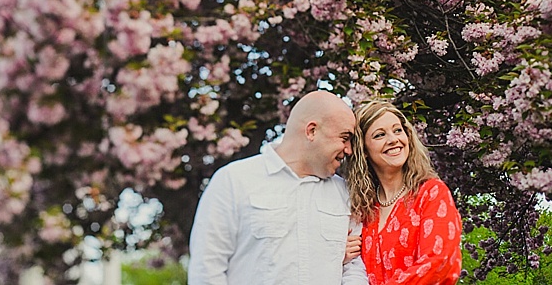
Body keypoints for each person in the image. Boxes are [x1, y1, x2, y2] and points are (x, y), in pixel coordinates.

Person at [187, 90, 368, 285]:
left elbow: (354, 269)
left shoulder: (345, 193)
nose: (349, 150)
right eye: (344, 138)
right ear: (312, 131)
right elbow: (207, 270)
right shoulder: (233, 181)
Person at [344, 99, 462, 285]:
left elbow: (439, 263)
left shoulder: (430, 192)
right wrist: (337, 257)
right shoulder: (362, 208)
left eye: (398, 130)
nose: (393, 140)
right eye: (379, 135)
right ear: (364, 150)